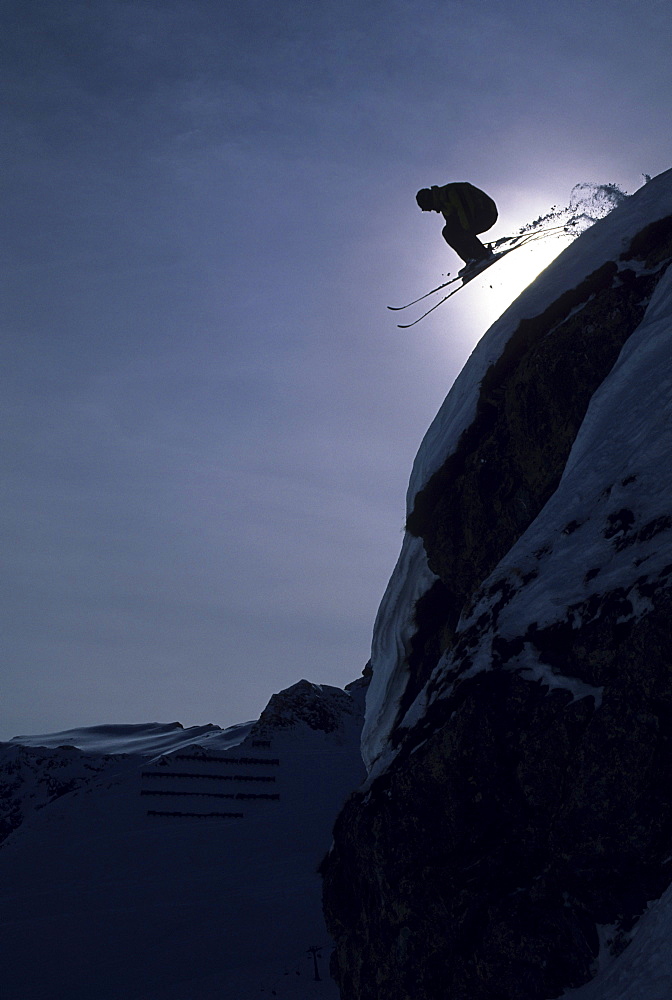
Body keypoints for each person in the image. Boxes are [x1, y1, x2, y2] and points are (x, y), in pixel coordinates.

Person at [416, 182, 498, 275]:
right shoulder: (443, 203)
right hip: (476, 214)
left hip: (485, 211)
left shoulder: (449, 193)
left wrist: (467, 236)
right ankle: (472, 260)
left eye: (428, 207)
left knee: (455, 231)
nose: (431, 210)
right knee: (449, 232)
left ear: (429, 200)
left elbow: (465, 210)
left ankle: (482, 256)